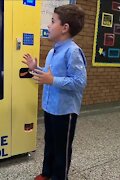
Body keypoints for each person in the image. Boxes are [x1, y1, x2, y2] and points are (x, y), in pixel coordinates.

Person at [22, 4, 87, 180]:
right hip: (50, 107)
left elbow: (80, 82)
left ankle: (59, 177)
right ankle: (47, 173)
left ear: (65, 28)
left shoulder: (73, 52)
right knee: (49, 143)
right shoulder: (53, 51)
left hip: (64, 111)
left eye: (52, 21)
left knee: (62, 149)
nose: (48, 26)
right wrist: (36, 69)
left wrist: (52, 80)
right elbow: (50, 74)